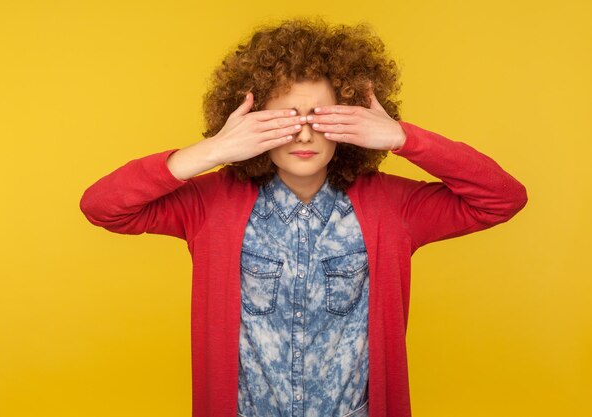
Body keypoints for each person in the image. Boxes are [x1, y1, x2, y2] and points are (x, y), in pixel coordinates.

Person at [79, 17, 528, 417]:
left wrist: (402, 138)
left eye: (322, 115)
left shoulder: (392, 209)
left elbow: (501, 199)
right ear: (252, 125)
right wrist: (212, 149)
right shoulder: (210, 206)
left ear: (350, 119)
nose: (306, 133)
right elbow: (103, 206)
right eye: (284, 119)